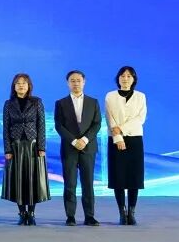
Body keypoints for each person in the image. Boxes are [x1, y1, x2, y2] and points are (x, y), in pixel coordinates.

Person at [1, 73, 50, 225]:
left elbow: (41, 125)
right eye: (18, 83)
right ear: (14, 86)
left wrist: (41, 147)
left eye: (24, 83)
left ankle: (32, 213)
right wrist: (7, 150)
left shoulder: (37, 102)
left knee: (32, 179)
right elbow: (6, 128)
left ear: (29, 86)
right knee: (18, 180)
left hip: (33, 146)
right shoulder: (8, 104)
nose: (21, 85)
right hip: (15, 146)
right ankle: (22, 213)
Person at [54, 70, 102, 226]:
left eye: (78, 80)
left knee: (88, 184)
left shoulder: (93, 102)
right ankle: (70, 216)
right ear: (68, 83)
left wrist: (85, 139)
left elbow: (97, 124)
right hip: (69, 148)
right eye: (72, 81)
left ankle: (89, 216)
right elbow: (59, 126)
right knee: (70, 184)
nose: (76, 83)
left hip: (88, 148)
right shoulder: (61, 103)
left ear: (84, 82)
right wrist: (74, 141)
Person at [105, 66, 147, 225]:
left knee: (134, 177)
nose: (125, 79)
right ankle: (122, 213)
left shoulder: (140, 96)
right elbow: (110, 119)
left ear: (134, 79)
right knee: (119, 176)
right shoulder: (110, 96)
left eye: (129, 76)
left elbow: (140, 118)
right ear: (118, 78)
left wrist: (121, 129)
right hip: (115, 140)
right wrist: (118, 138)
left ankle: (132, 212)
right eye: (122, 76)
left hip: (135, 139)